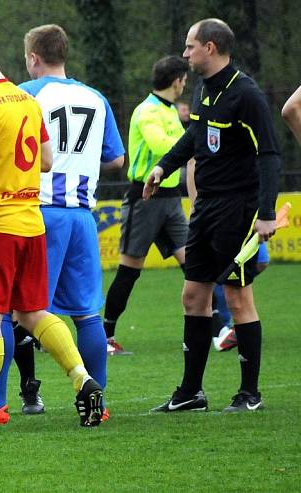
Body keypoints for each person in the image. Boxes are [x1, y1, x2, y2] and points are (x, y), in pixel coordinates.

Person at [0, 25, 103, 431]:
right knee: (32, 311)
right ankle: (83, 379)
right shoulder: (27, 100)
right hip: (31, 222)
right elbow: (46, 161)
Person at [146, 19, 282, 413]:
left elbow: (270, 155)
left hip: (238, 210)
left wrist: (266, 213)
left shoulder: (247, 94)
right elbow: (195, 135)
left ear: (210, 47)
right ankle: (191, 392)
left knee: (238, 298)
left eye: (190, 47)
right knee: (193, 295)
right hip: (205, 206)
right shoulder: (207, 88)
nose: (185, 54)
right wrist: (164, 166)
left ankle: (249, 393)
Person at [17, 24, 125, 418]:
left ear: (33, 58)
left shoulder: (27, 94)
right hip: (81, 214)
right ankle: (100, 400)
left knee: (17, 310)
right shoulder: (96, 98)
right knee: (86, 313)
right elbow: (116, 158)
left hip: (38, 210)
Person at [102, 56, 190, 356]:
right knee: (130, 271)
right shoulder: (147, 110)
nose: (185, 85)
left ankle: (216, 329)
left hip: (171, 200)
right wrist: (191, 135)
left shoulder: (169, 112)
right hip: (144, 199)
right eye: (184, 79)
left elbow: (178, 145)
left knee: (194, 265)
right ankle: (106, 334)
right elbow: (163, 147)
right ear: (177, 79)